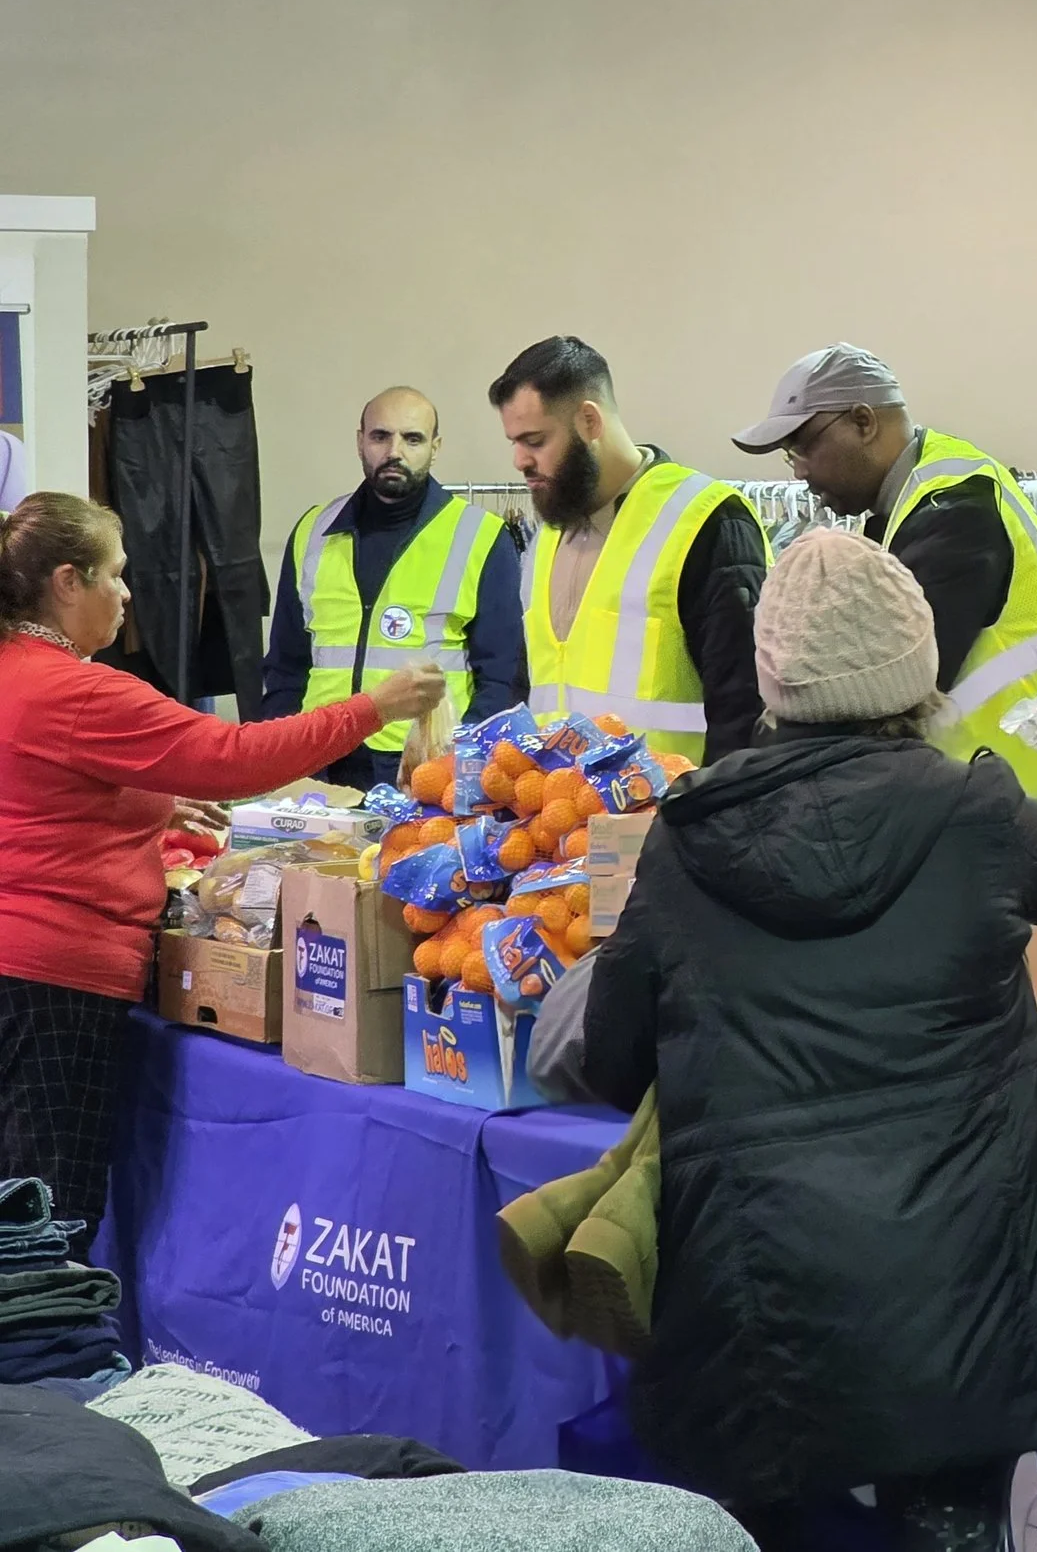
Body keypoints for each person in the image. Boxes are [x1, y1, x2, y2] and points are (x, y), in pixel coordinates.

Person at [568, 531, 1037, 1552]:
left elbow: (610, 1061)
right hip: (972, 1309)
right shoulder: (971, 809)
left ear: (775, 677)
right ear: (916, 673)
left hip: (760, 1319)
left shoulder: (687, 835)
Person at [0, 494, 444, 1249]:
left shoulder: (18, 673)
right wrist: (376, 706)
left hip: (20, 973)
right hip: (55, 983)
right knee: (47, 1220)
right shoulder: (81, 691)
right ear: (68, 582)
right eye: (117, 574)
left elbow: (37, 786)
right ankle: (41, 1365)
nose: (129, 593)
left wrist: (151, 801)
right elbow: (236, 758)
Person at [733, 343, 1037, 800]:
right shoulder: (917, 503)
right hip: (1016, 781)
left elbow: (885, 689)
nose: (799, 472)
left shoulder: (954, 509)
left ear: (863, 422)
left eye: (803, 447)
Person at [491, 338, 769, 765]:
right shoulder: (546, 534)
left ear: (589, 420)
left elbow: (743, 708)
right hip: (557, 821)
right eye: (513, 441)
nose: (519, 460)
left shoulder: (702, 520)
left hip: (668, 821)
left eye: (535, 440)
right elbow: (530, 689)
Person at [262, 387, 525, 790]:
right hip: (318, 758)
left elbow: (501, 678)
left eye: (413, 438)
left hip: (424, 764)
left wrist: (464, 763)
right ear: (360, 441)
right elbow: (285, 665)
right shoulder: (314, 530)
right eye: (380, 436)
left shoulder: (481, 536)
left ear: (435, 447)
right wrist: (277, 755)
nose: (394, 451)